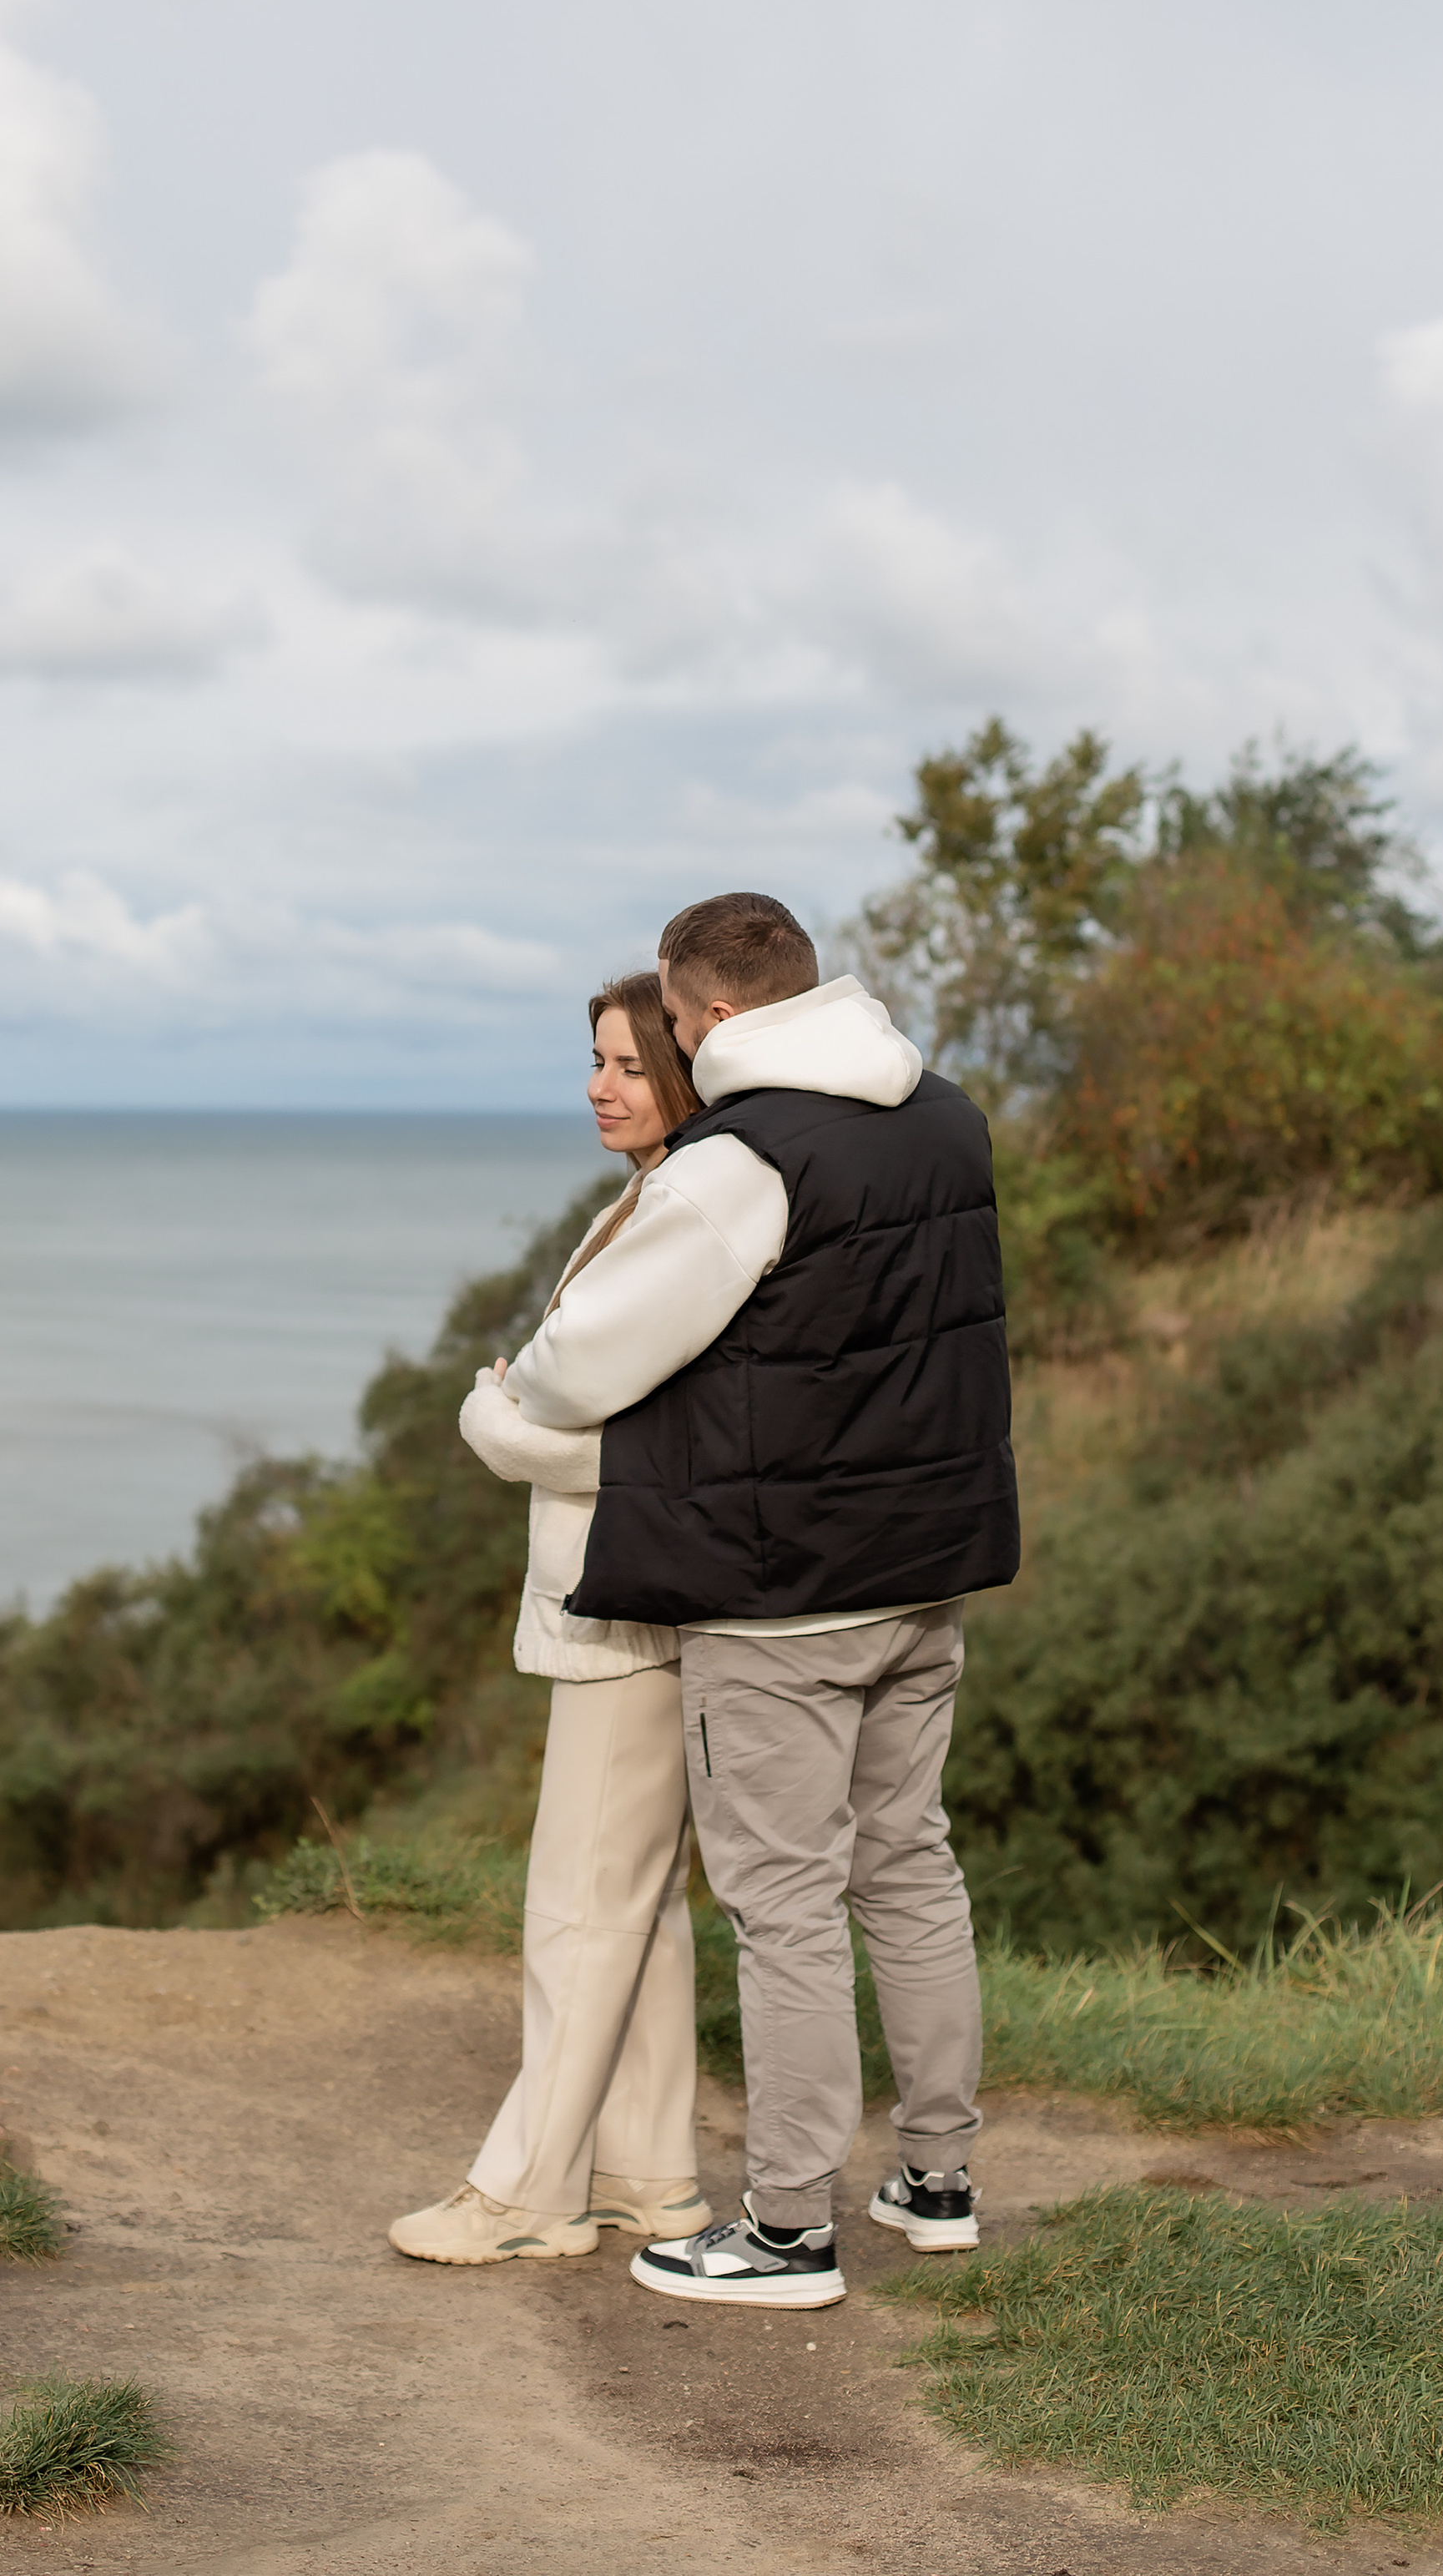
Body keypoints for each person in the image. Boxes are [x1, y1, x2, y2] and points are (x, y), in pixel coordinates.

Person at [500, 891, 1018, 2311]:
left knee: (783, 1907)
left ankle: (787, 2231)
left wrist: (517, 1395)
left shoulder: (743, 1159)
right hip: (928, 1565)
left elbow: (583, 1362)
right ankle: (938, 2178)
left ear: (713, 1012)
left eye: (666, 1023)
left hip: (785, 1591)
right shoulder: (948, 1117)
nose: (663, 1045)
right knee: (909, 1866)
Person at [387, 972, 715, 2266]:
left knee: (580, 1901)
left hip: (634, 1595)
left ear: (685, 1074)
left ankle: (528, 2193)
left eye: (630, 1066)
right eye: (594, 1062)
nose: (599, 1087)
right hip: (630, 1591)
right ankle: (649, 2174)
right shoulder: (648, 1200)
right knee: (637, 1898)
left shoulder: (686, 1212)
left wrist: (498, 1428)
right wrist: (523, 1420)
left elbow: (665, 1444)